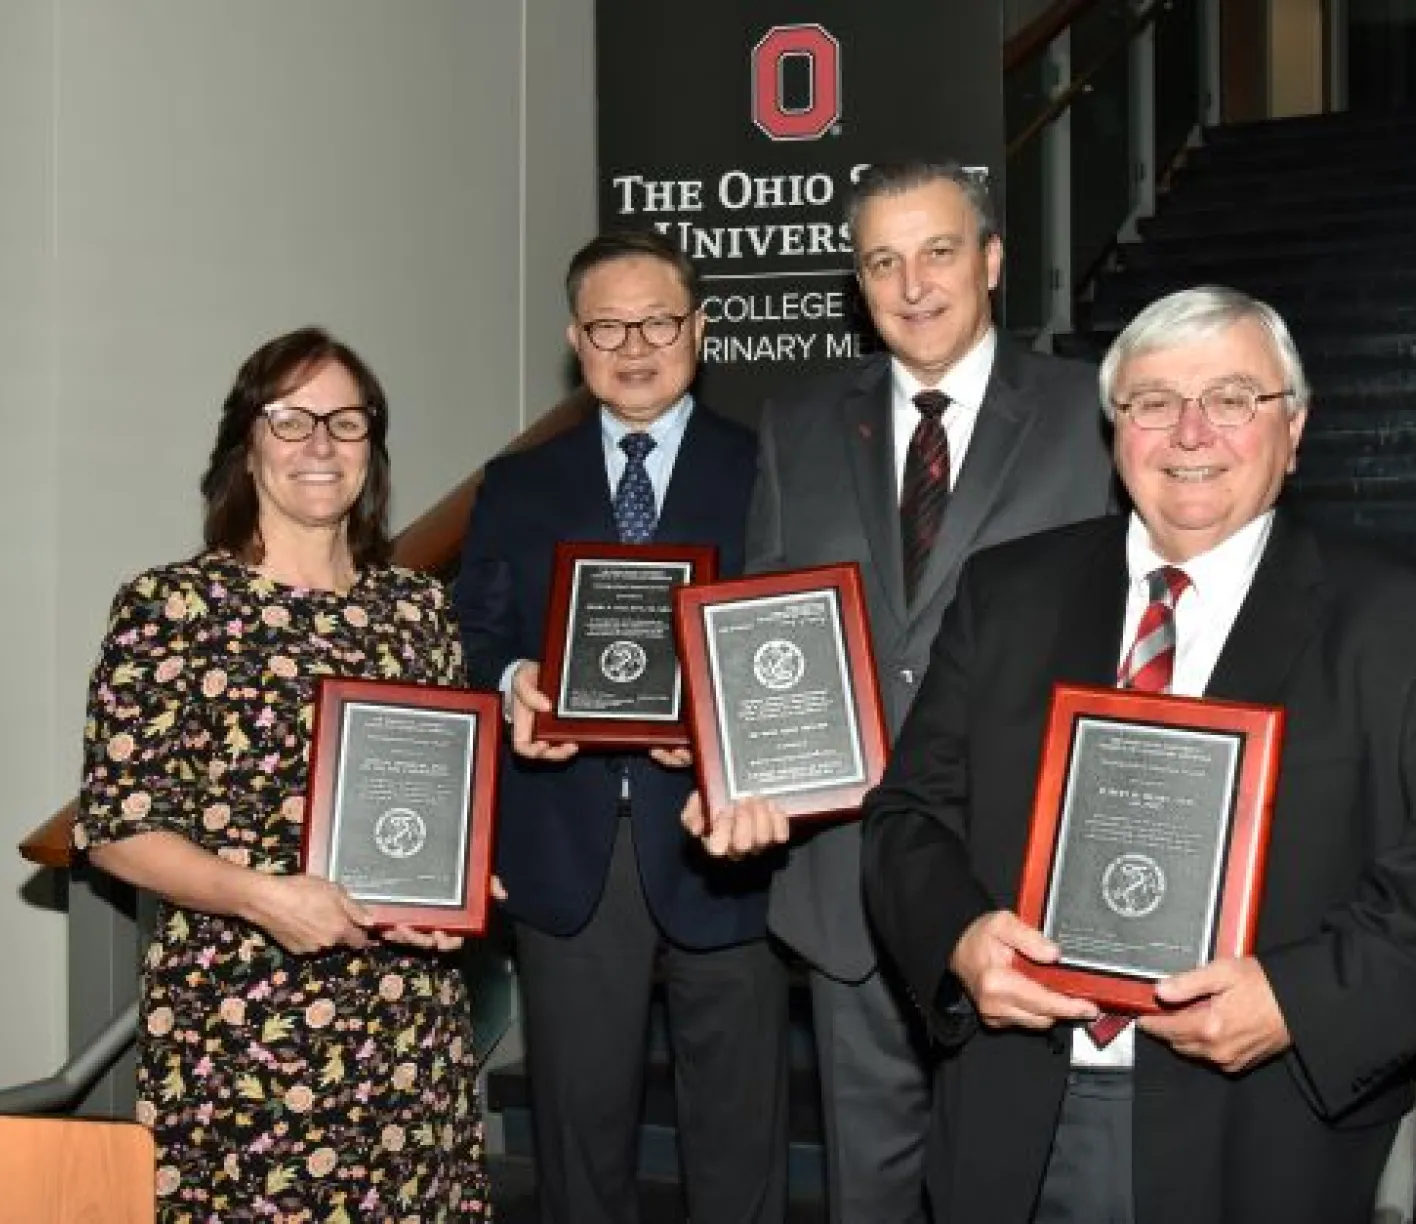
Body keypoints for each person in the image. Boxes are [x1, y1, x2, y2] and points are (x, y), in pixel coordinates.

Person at [858, 286, 1416, 1224]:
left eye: (1233, 398)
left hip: (1257, 1138)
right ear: (1116, 431)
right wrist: (957, 940)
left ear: (1294, 427)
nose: (1191, 432)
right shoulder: (1007, 593)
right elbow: (908, 816)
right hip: (1011, 1112)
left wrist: (1297, 997)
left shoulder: (1411, 623)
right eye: (1152, 401)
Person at [682, 160, 1114, 1221]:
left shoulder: (1093, 413)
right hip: (847, 884)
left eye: (938, 251)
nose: (912, 284)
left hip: (1024, 893)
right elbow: (763, 624)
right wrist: (729, 768)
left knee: (1019, 1192)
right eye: (882, 260)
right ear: (856, 281)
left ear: (994, 261)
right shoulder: (798, 422)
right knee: (866, 1191)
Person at [75, 327, 491, 1220]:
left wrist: (457, 886)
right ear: (246, 442)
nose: (319, 444)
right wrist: (260, 895)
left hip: (405, 1023)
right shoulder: (173, 607)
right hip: (240, 1020)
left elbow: (440, 796)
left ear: (372, 447)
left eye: (346, 421)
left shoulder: (417, 610)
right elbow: (116, 829)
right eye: (290, 418)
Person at [454, 230, 787, 1224]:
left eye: (658, 321)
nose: (634, 345)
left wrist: (730, 725)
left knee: (740, 1145)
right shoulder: (518, 484)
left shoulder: (774, 469)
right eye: (608, 325)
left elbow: (795, 642)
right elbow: (478, 632)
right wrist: (518, 681)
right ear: (575, 337)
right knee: (579, 1148)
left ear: (700, 328)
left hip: (727, 845)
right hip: (568, 848)